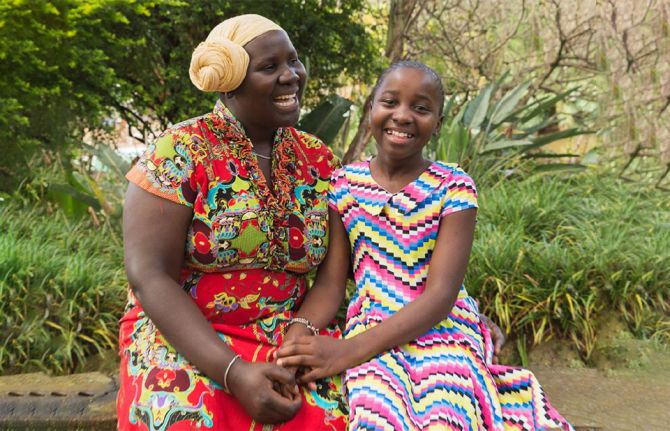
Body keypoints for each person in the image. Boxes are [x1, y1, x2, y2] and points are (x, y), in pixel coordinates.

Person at [276, 61, 574, 430]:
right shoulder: (343, 185)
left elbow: (440, 296)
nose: (402, 116)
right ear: (371, 108)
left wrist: (345, 352)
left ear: (438, 123)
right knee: (374, 407)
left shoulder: (453, 187)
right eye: (390, 102)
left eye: (420, 108)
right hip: (371, 324)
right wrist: (299, 332)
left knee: (446, 406)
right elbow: (331, 284)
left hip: (444, 329)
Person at [117, 14, 348, 430]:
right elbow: (148, 276)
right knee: (186, 419)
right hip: (187, 335)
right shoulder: (180, 151)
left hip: (291, 335)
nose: (291, 76)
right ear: (232, 80)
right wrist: (233, 372)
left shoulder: (318, 159)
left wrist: (302, 331)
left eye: (293, 61)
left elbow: (343, 270)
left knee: (347, 413)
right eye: (269, 67)